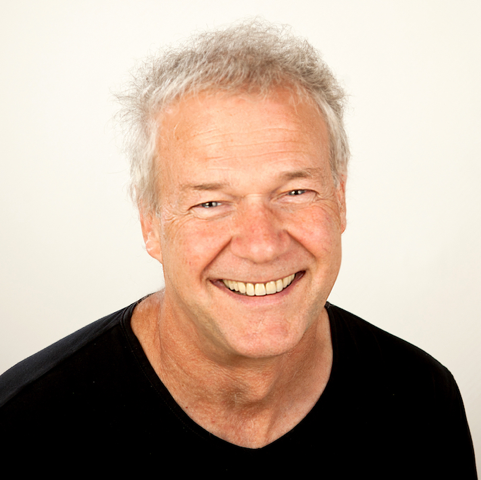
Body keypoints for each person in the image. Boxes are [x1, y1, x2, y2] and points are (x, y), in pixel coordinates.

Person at [0, 20, 477, 477]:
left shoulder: (421, 399)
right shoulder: (25, 428)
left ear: (340, 200)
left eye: (295, 192)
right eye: (210, 203)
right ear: (150, 223)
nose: (262, 245)